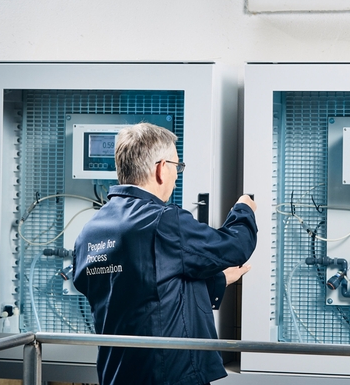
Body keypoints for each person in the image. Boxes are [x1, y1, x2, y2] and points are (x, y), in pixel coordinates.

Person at [72, 122, 258, 385]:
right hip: (168, 375)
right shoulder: (163, 221)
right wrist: (243, 209)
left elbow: (140, 289)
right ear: (161, 169)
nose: (177, 175)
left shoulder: (90, 231)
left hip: (116, 374)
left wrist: (217, 279)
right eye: (177, 166)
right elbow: (237, 246)